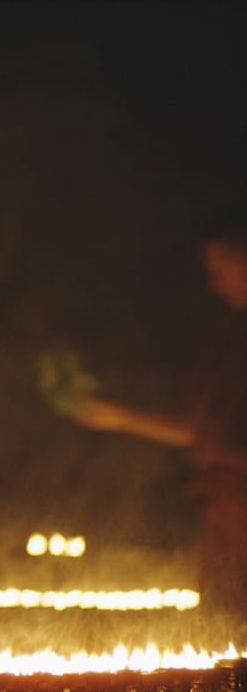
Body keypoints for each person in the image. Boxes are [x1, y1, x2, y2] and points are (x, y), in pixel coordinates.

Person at [71, 206, 247, 616]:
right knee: (224, 619)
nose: (215, 281)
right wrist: (122, 417)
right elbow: (199, 430)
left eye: (223, 265)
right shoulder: (228, 340)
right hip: (227, 513)